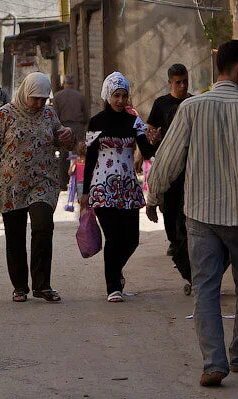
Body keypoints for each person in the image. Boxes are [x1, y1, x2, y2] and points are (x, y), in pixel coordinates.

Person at [150, 40, 238, 388]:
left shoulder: (192, 107)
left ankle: (213, 363)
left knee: (205, 287)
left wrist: (153, 194)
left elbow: (166, 160)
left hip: (201, 215)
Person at [0, 72, 74, 303]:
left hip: (43, 182)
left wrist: (67, 134)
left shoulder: (49, 114)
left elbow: (59, 137)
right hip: (11, 185)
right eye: (34, 98)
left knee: (43, 226)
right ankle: (20, 286)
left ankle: (42, 285)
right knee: (15, 235)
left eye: (43, 99)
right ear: (25, 93)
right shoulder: (5, 114)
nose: (38, 104)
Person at [80, 72, 154, 303]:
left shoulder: (134, 121)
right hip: (102, 188)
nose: (121, 100)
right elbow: (90, 157)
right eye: (116, 95)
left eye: (124, 95)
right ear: (107, 95)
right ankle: (113, 286)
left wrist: (156, 139)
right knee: (113, 237)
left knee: (131, 238)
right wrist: (84, 192)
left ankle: (115, 270)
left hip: (128, 188)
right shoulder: (96, 122)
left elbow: (148, 152)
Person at [145, 63, 193, 293]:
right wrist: (152, 138)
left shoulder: (193, 103)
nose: (183, 86)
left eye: (185, 81)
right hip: (167, 163)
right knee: (171, 208)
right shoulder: (161, 104)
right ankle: (175, 242)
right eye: (178, 82)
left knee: (186, 212)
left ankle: (183, 250)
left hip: (190, 166)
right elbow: (150, 130)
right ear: (170, 83)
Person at [52, 74, 89, 189]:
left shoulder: (57, 97)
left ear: (64, 84)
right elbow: (86, 116)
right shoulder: (81, 97)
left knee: (63, 157)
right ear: (73, 84)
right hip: (78, 127)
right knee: (80, 155)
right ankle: (81, 181)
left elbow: (55, 116)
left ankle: (63, 183)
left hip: (63, 127)